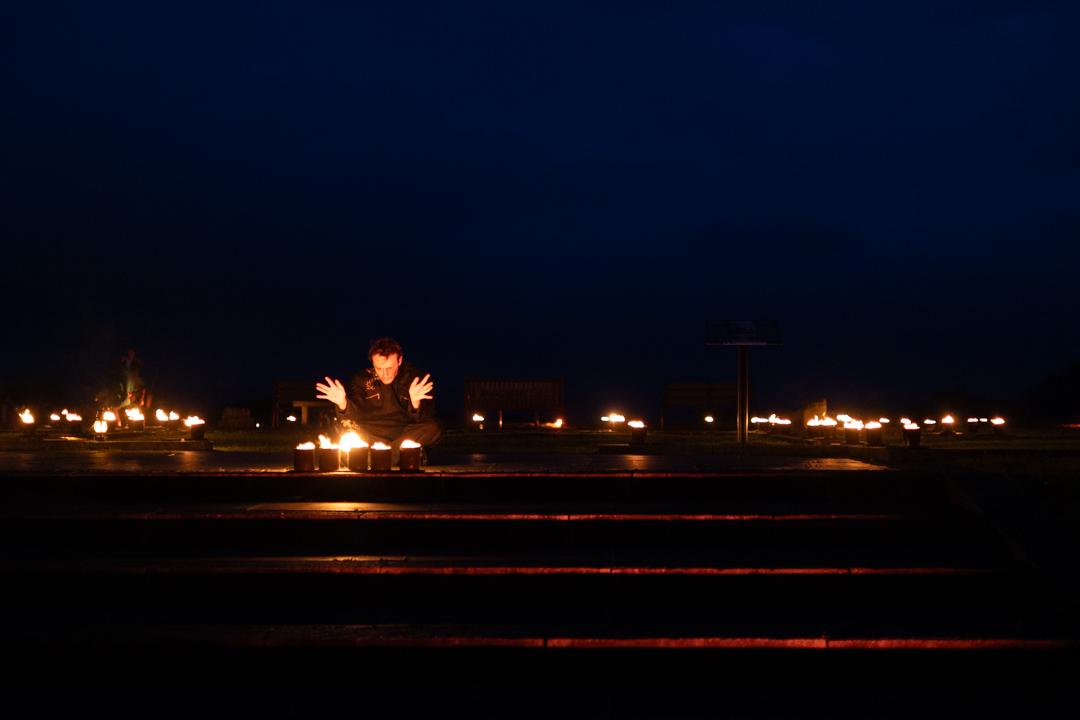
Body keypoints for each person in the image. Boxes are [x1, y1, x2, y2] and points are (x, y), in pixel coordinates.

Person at [315, 338, 441, 453]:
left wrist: (415, 403)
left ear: (400, 360)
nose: (385, 374)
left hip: (403, 432)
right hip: (370, 432)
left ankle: (379, 456)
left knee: (433, 428)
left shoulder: (415, 378)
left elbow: (425, 417)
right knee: (341, 431)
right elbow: (353, 416)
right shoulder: (361, 379)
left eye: (390, 368)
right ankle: (397, 454)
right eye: (379, 368)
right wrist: (342, 403)